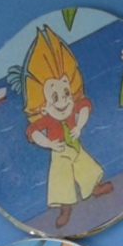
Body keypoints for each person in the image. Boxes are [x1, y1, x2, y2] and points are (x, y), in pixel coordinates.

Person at [22, 25, 113, 229]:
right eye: (55, 97)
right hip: (60, 151)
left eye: (66, 92)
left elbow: (85, 107)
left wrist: (79, 126)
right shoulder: (47, 118)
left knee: (86, 167)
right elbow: (33, 132)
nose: (63, 100)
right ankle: (65, 209)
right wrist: (49, 144)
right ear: (43, 106)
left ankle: (94, 188)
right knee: (61, 180)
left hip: (75, 144)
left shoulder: (73, 106)